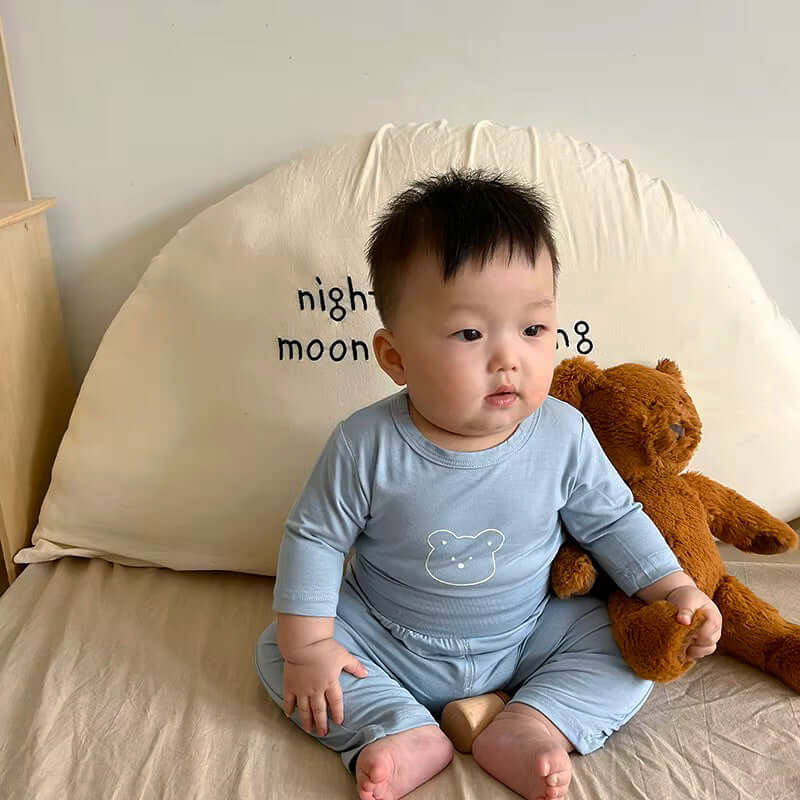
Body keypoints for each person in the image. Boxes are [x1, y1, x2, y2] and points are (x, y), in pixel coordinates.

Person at [255, 169, 722, 800]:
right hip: (389, 638)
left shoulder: (564, 432)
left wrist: (674, 587)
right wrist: (310, 644)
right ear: (395, 357)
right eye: (470, 333)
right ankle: (398, 728)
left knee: (626, 646)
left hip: (527, 632)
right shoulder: (365, 443)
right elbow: (313, 538)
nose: (509, 357)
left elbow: (613, 520)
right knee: (279, 650)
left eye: (532, 330)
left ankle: (534, 723)